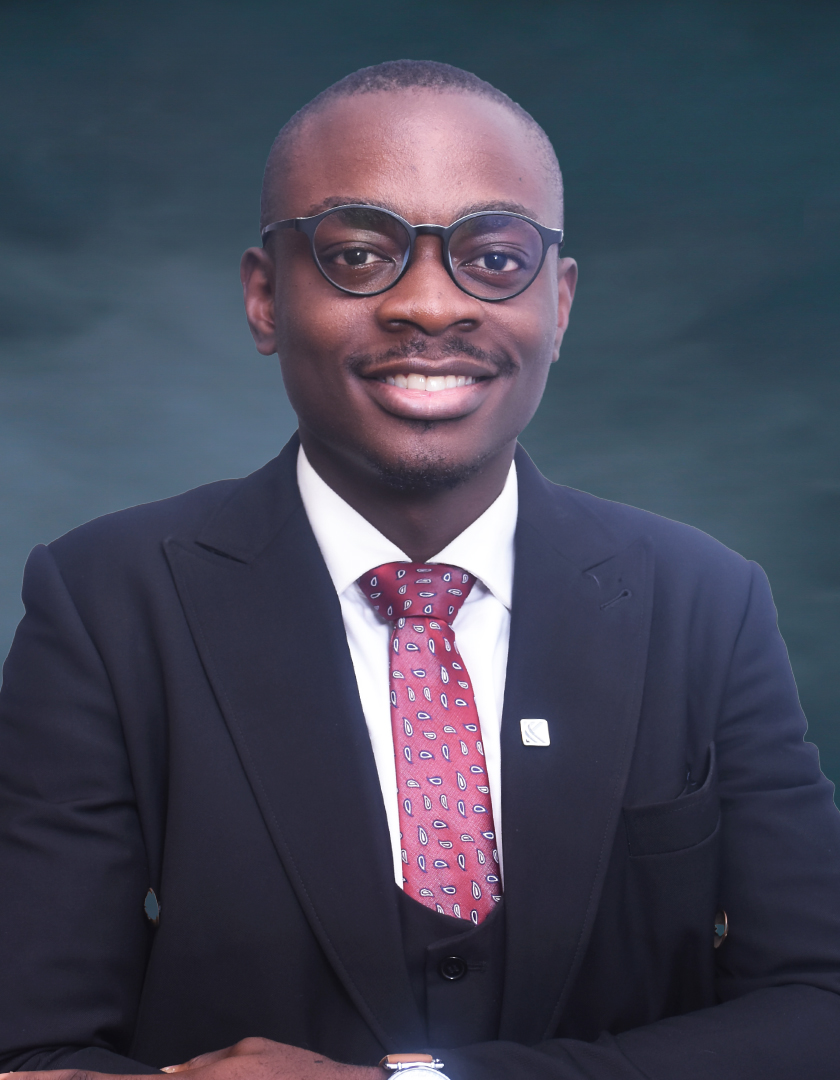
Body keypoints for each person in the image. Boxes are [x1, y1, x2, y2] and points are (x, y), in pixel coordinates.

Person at [1, 59, 839, 1080]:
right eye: (359, 254)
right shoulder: (106, 603)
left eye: (494, 258)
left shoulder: (705, 602)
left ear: (561, 303)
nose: (432, 306)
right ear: (266, 298)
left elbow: (817, 1007)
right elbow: (33, 1051)